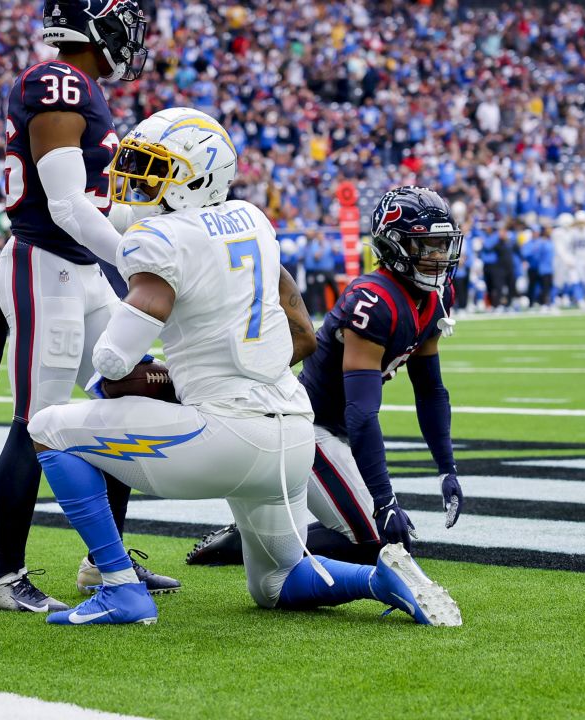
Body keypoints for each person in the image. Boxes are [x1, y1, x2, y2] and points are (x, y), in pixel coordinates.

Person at [27, 113, 461, 626]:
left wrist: (140, 371)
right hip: (292, 435)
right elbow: (296, 319)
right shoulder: (253, 219)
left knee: (48, 428)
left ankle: (119, 586)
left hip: (224, 436)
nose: (139, 179)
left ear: (197, 176)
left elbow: (114, 359)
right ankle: (376, 580)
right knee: (275, 583)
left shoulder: (162, 238)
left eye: (153, 168)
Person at [0, 0, 177, 613]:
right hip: (45, 264)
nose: (133, 42)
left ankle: (104, 562)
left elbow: (94, 203)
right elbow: (65, 205)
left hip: (82, 268)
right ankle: (3, 578)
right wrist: (137, 261)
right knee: (36, 421)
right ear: (98, 29)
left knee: (127, 397)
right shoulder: (56, 82)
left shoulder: (83, 88)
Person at [185, 187, 466, 571]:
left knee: (392, 537)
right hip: (305, 426)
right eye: (427, 246)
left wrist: (446, 468)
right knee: (378, 540)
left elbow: (430, 390)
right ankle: (247, 542)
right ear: (394, 246)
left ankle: (274, 530)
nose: (438, 257)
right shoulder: (374, 300)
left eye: (442, 245)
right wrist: (384, 498)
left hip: (338, 430)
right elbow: (361, 412)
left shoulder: (435, 295)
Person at [303, 229, 335, 317]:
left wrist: (331, 245)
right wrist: (322, 248)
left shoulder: (327, 243)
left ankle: (325, 312)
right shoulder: (313, 245)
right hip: (313, 271)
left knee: (325, 291)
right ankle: (313, 313)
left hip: (325, 271)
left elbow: (336, 252)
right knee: (312, 293)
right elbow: (316, 257)